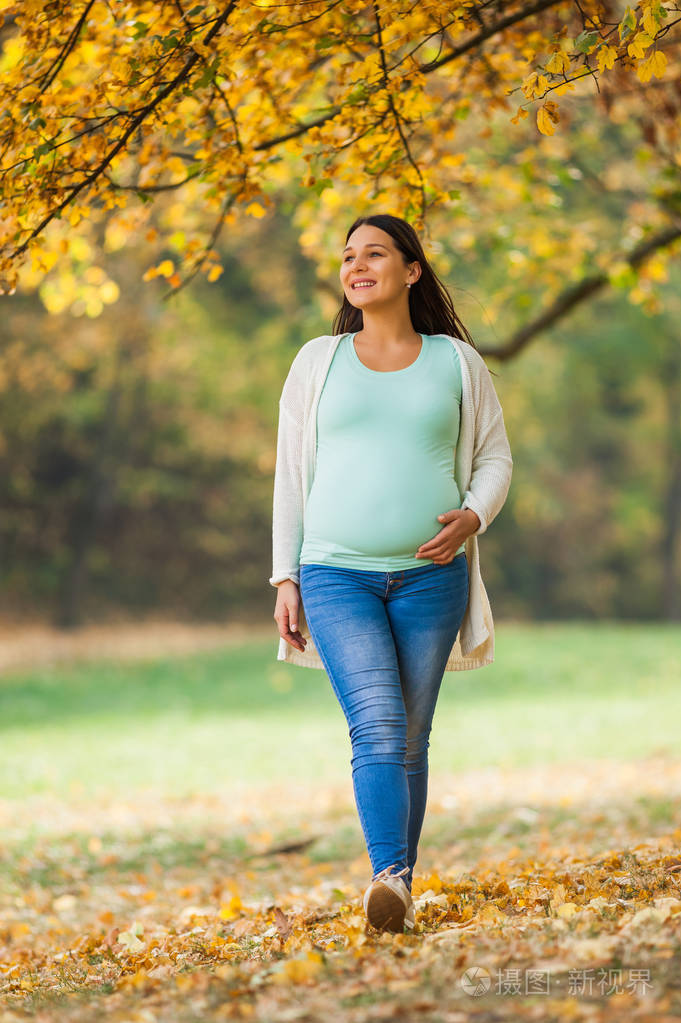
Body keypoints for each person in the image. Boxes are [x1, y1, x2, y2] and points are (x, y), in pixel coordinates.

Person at [269, 213, 512, 934]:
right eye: (348, 255)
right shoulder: (318, 360)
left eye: (375, 252)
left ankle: (396, 886)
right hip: (335, 574)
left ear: (411, 270)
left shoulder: (455, 362)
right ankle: (390, 876)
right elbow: (289, 471)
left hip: (430, 577)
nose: (358, 264)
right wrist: (285, 575)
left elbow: (496, 455)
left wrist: (473, 515)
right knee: (376, 722)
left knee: (411, 734)